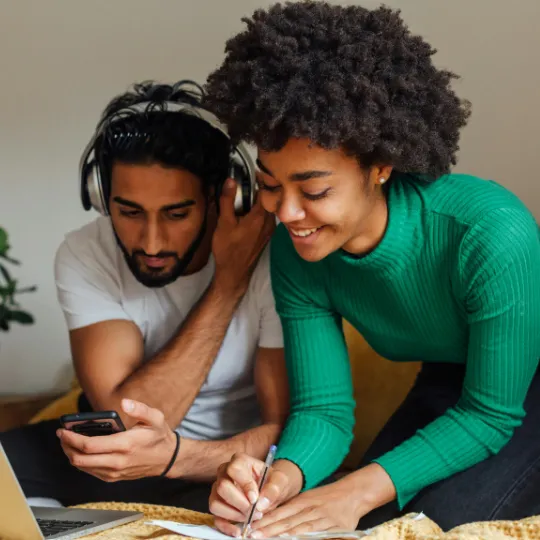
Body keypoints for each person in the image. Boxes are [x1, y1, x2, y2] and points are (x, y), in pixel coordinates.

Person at [202, 1, 540, 534]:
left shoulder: (490, 232)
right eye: (269, 184)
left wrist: (356, 487)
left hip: (522, 385)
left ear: (380, 167)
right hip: (452, 380)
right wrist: (278, 482)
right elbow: (323, 412)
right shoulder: (297, 250)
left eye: (313, 190)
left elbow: (492, 413)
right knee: (353, 522)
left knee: (438, 524)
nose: (286, 213)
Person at [0, 80, 287, 512]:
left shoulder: (272, 258)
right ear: (101, 198)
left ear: (223, 196)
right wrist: (226, 286)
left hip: (219, 462)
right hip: (113, 453)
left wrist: (238, 274)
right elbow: (126, 422)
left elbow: (284, 430)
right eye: (130, 212)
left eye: (176, 214)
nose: (151, 243)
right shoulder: (85, 251)